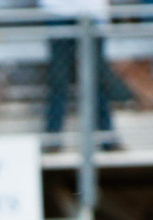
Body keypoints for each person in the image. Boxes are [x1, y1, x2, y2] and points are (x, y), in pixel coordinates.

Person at [39, 0, 115, 148]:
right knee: (58, 80)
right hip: (58, 11)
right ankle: (53, 138)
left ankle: (107, 137)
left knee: (97, 79)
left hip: (91, 12)